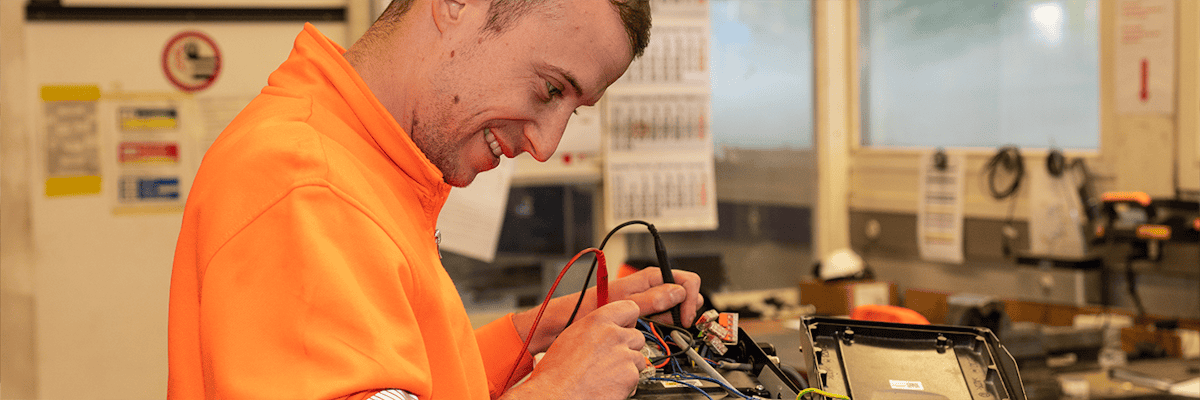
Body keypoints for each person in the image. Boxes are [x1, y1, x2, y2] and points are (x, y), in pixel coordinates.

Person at [166, 0, 704, 399]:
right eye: (550, 89)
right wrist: (556, 391)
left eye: (574, 110)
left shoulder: (366, 161)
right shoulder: (308, 184)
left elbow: (407, 383)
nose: (545, 145)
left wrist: (543, 331)